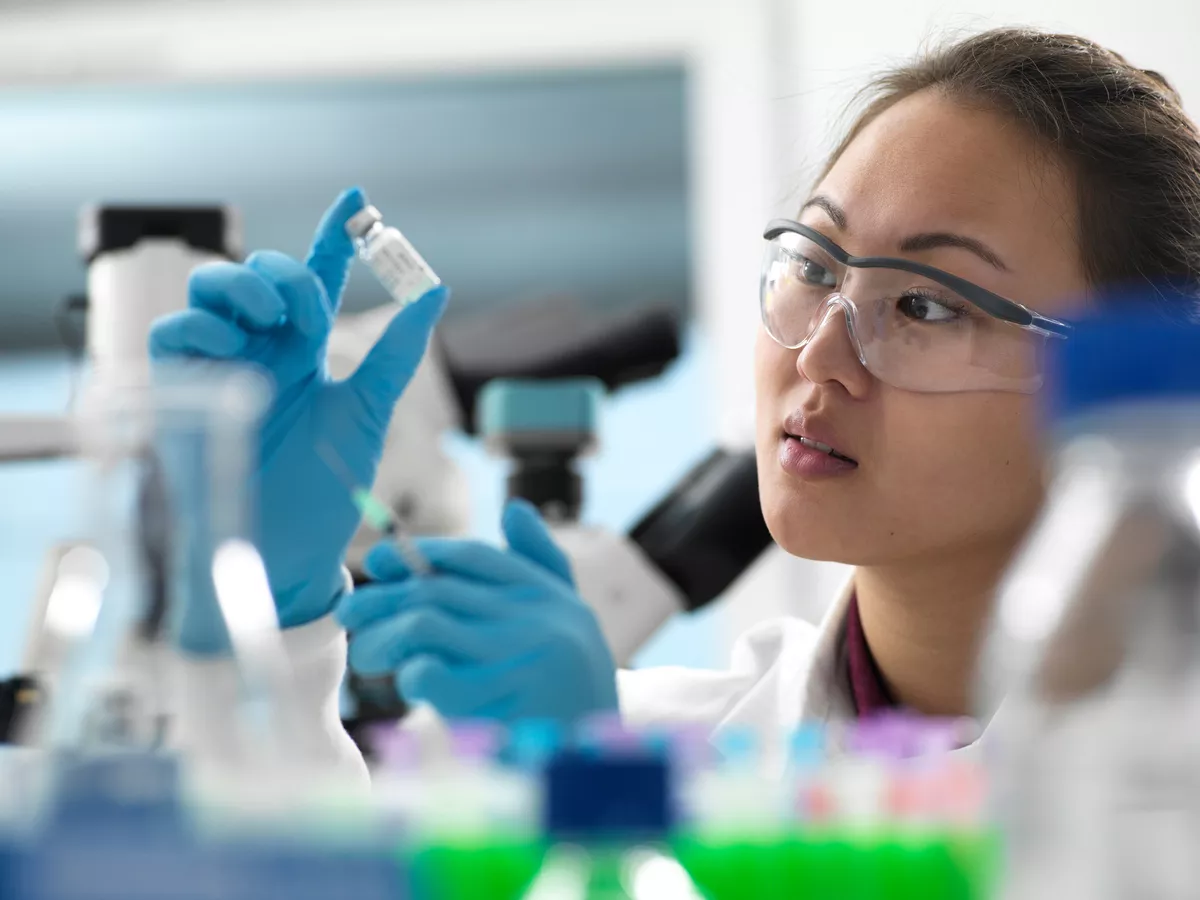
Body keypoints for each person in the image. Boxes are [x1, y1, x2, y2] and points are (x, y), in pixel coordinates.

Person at [151, 28, 1200, 769]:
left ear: (1137, 387)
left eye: (927, 305)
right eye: (816, 266)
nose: (823, 356)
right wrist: (266, 608)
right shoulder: (649, 745)